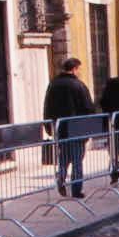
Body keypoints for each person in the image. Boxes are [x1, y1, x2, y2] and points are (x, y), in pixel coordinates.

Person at [43, 57, 95, 198]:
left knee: (64, 158)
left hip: (60, 128)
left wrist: (48, 126)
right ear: (74, 69)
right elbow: (88, 107)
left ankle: (60, 179)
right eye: (79, 69)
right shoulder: (78, 85)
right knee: (77, 159)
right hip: (77, 128)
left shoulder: (53, 84)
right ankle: (76, 190)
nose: (80, 72)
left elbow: (47, 106)